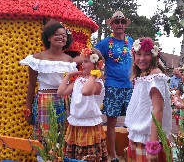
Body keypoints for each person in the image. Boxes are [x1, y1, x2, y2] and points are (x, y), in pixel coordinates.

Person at [19, 19, 77, 140]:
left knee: (63, 137)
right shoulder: (36, 59)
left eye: (64, 36)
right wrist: (28, 109)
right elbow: (31, 86)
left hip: (65, 102)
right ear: (49, 37)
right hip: (44, 101)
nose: (61, 37)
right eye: (57, 34)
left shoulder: (69, 60)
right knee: (45, 138)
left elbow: (71, 85)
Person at [94, 11, 133, 162]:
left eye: (122, 22)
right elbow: (93, 51)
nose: (120, 24)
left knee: (132, 120)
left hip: (129, 86)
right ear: (111, 24)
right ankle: (114, 155)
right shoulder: (106, 42)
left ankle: (130, 152)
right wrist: (99, 70)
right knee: (111, 122)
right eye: (116, 22)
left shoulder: (130, 41)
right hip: (112, 86)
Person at [125, 37, 172, 161]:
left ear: (154, 56)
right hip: (139, 137)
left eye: (146, 54)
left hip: (149, 139)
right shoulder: (144, 76)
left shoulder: (155, 77)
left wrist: (153, 146)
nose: (142, 58)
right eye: (138, 54)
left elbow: (158, 110)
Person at [57, 48, 108, 161]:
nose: (82, 65)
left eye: (86, 62)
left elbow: (86, 91)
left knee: (88, 156)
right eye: (82, 62)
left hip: (89, 125)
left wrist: (94, 74)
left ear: (95, 64)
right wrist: (68, 76)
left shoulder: (97, 83)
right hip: (75, 123)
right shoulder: (78, 80)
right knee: (74, 156)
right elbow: (61, 92)